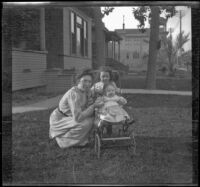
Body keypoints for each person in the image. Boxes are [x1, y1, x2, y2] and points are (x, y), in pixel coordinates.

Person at [49, 69, 104, 148]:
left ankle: (81, 139)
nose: (87, 84)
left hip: (71, 116)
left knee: (93, 119)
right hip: (60, 118)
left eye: (89, 82)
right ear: (78, 81)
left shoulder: (86, 91)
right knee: (85, 123)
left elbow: (95, 94)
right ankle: (63, 140)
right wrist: (93, 106)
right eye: (85, 81)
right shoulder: (74, 94)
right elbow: (78, 118)